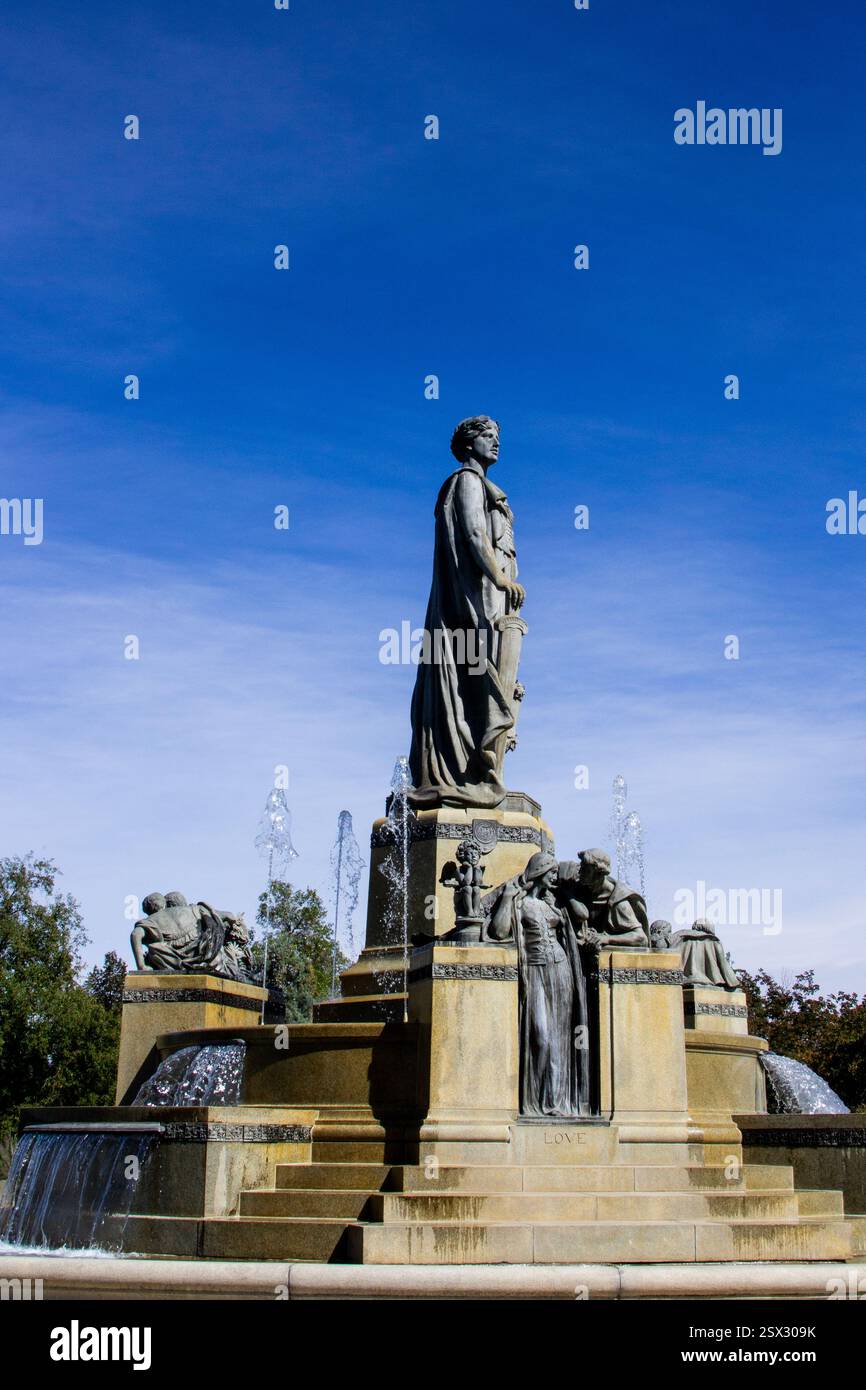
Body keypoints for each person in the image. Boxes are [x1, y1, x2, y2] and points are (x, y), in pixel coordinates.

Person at [409, 416, 525, 808]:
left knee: (478, 680)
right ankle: (471, 772)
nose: (496, 443)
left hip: (485, 602)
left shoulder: (483, 487)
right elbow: (475, 535)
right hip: (472, 602)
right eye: (488, 437)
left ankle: (479, 770)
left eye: (497, 437)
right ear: (468, 443)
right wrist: (501, 579)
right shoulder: (467, 482)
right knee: (472, 680)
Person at [489, 852, 591, 1117]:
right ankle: (532, 1102)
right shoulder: (520, 903)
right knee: (541, 1036)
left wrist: (567, 893)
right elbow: (499, 931)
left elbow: (583, 914)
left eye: (556, 873)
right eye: (551, 872)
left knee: (559, 1040)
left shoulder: (555, 905)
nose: (555, 877)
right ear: (539, 872)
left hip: (561, 971)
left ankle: (556, 1103)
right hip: (534, 971)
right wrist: (508, 899)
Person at [557, 849, 650, 949]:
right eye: (581, 867)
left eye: (586, 869)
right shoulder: (579, 888)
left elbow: (641, 938)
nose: (580, 872)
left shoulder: (618, 901)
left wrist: (606, 939)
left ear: (599, 873)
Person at [673, 918, 740, 989]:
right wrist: (733, 982)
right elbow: (723, 965)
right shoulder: (713, 941)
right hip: (707, 982)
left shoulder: (682, 939)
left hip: (683, 981)